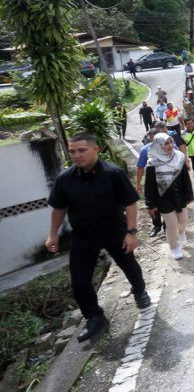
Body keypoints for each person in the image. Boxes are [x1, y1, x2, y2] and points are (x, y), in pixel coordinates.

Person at [46, 133, 151, 342]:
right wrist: (52, 235)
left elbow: (130, 203)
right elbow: (59, 208)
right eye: (73, 151)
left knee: (128, 264)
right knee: (79, 280)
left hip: (114, 231)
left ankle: (139, 290)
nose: (77, 155)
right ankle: (94, 317)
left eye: (82, 150)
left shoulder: (113, 173)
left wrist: (131, 233)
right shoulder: (65, 179)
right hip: (83, 236)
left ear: (96, 149)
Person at [145, 133, 194, 259]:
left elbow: (185, 178)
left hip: (179, 195)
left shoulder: (179, 157)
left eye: (171, 142)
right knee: (171, 225)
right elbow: (149, 185)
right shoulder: (152, 163)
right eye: (166, 143)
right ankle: (174, 247)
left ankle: (182, 233)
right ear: (158, 145)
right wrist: (151, 204)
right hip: (163, 199)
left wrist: (189, 194)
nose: (170, 146)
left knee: (183, 221)